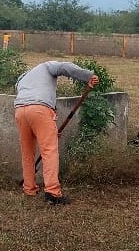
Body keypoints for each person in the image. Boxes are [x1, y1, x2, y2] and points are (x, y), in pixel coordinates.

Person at [14, 61, 99, 205]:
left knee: (27, 152)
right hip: (40, 109)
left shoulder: (22, 79)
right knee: (49, 151)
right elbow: (65, 67)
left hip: (20, 111)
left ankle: (29, 189)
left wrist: (50, 131)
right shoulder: (46, 66)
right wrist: (87, 75)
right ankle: (53, 193)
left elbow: (31, 99)